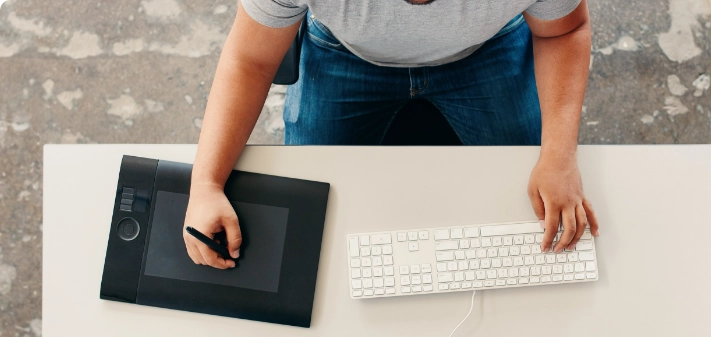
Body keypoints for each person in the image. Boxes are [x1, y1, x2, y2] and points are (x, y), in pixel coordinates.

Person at [183, 0, 600, 269]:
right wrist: (205, 183)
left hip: (486, 49)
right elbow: (250, 58)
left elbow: (564, 30)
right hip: (344, 53)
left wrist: (560, 155)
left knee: (530, 209)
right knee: (308, 219)